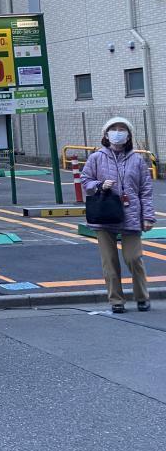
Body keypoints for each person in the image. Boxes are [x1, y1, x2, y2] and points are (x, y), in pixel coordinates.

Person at [80, 117, 154, 313]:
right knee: (109, 262)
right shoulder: (96, 158)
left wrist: (148, 216)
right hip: (104, 215)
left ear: (128, 135)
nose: (118, 132)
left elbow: (145, 191)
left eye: (122, 129)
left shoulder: (137, 160)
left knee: (134, 258)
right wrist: (98, 185)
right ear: (106, 134)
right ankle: (116, 301)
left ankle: (142, 297)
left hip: (131, 215)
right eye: (114, 129)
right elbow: (85, 180)